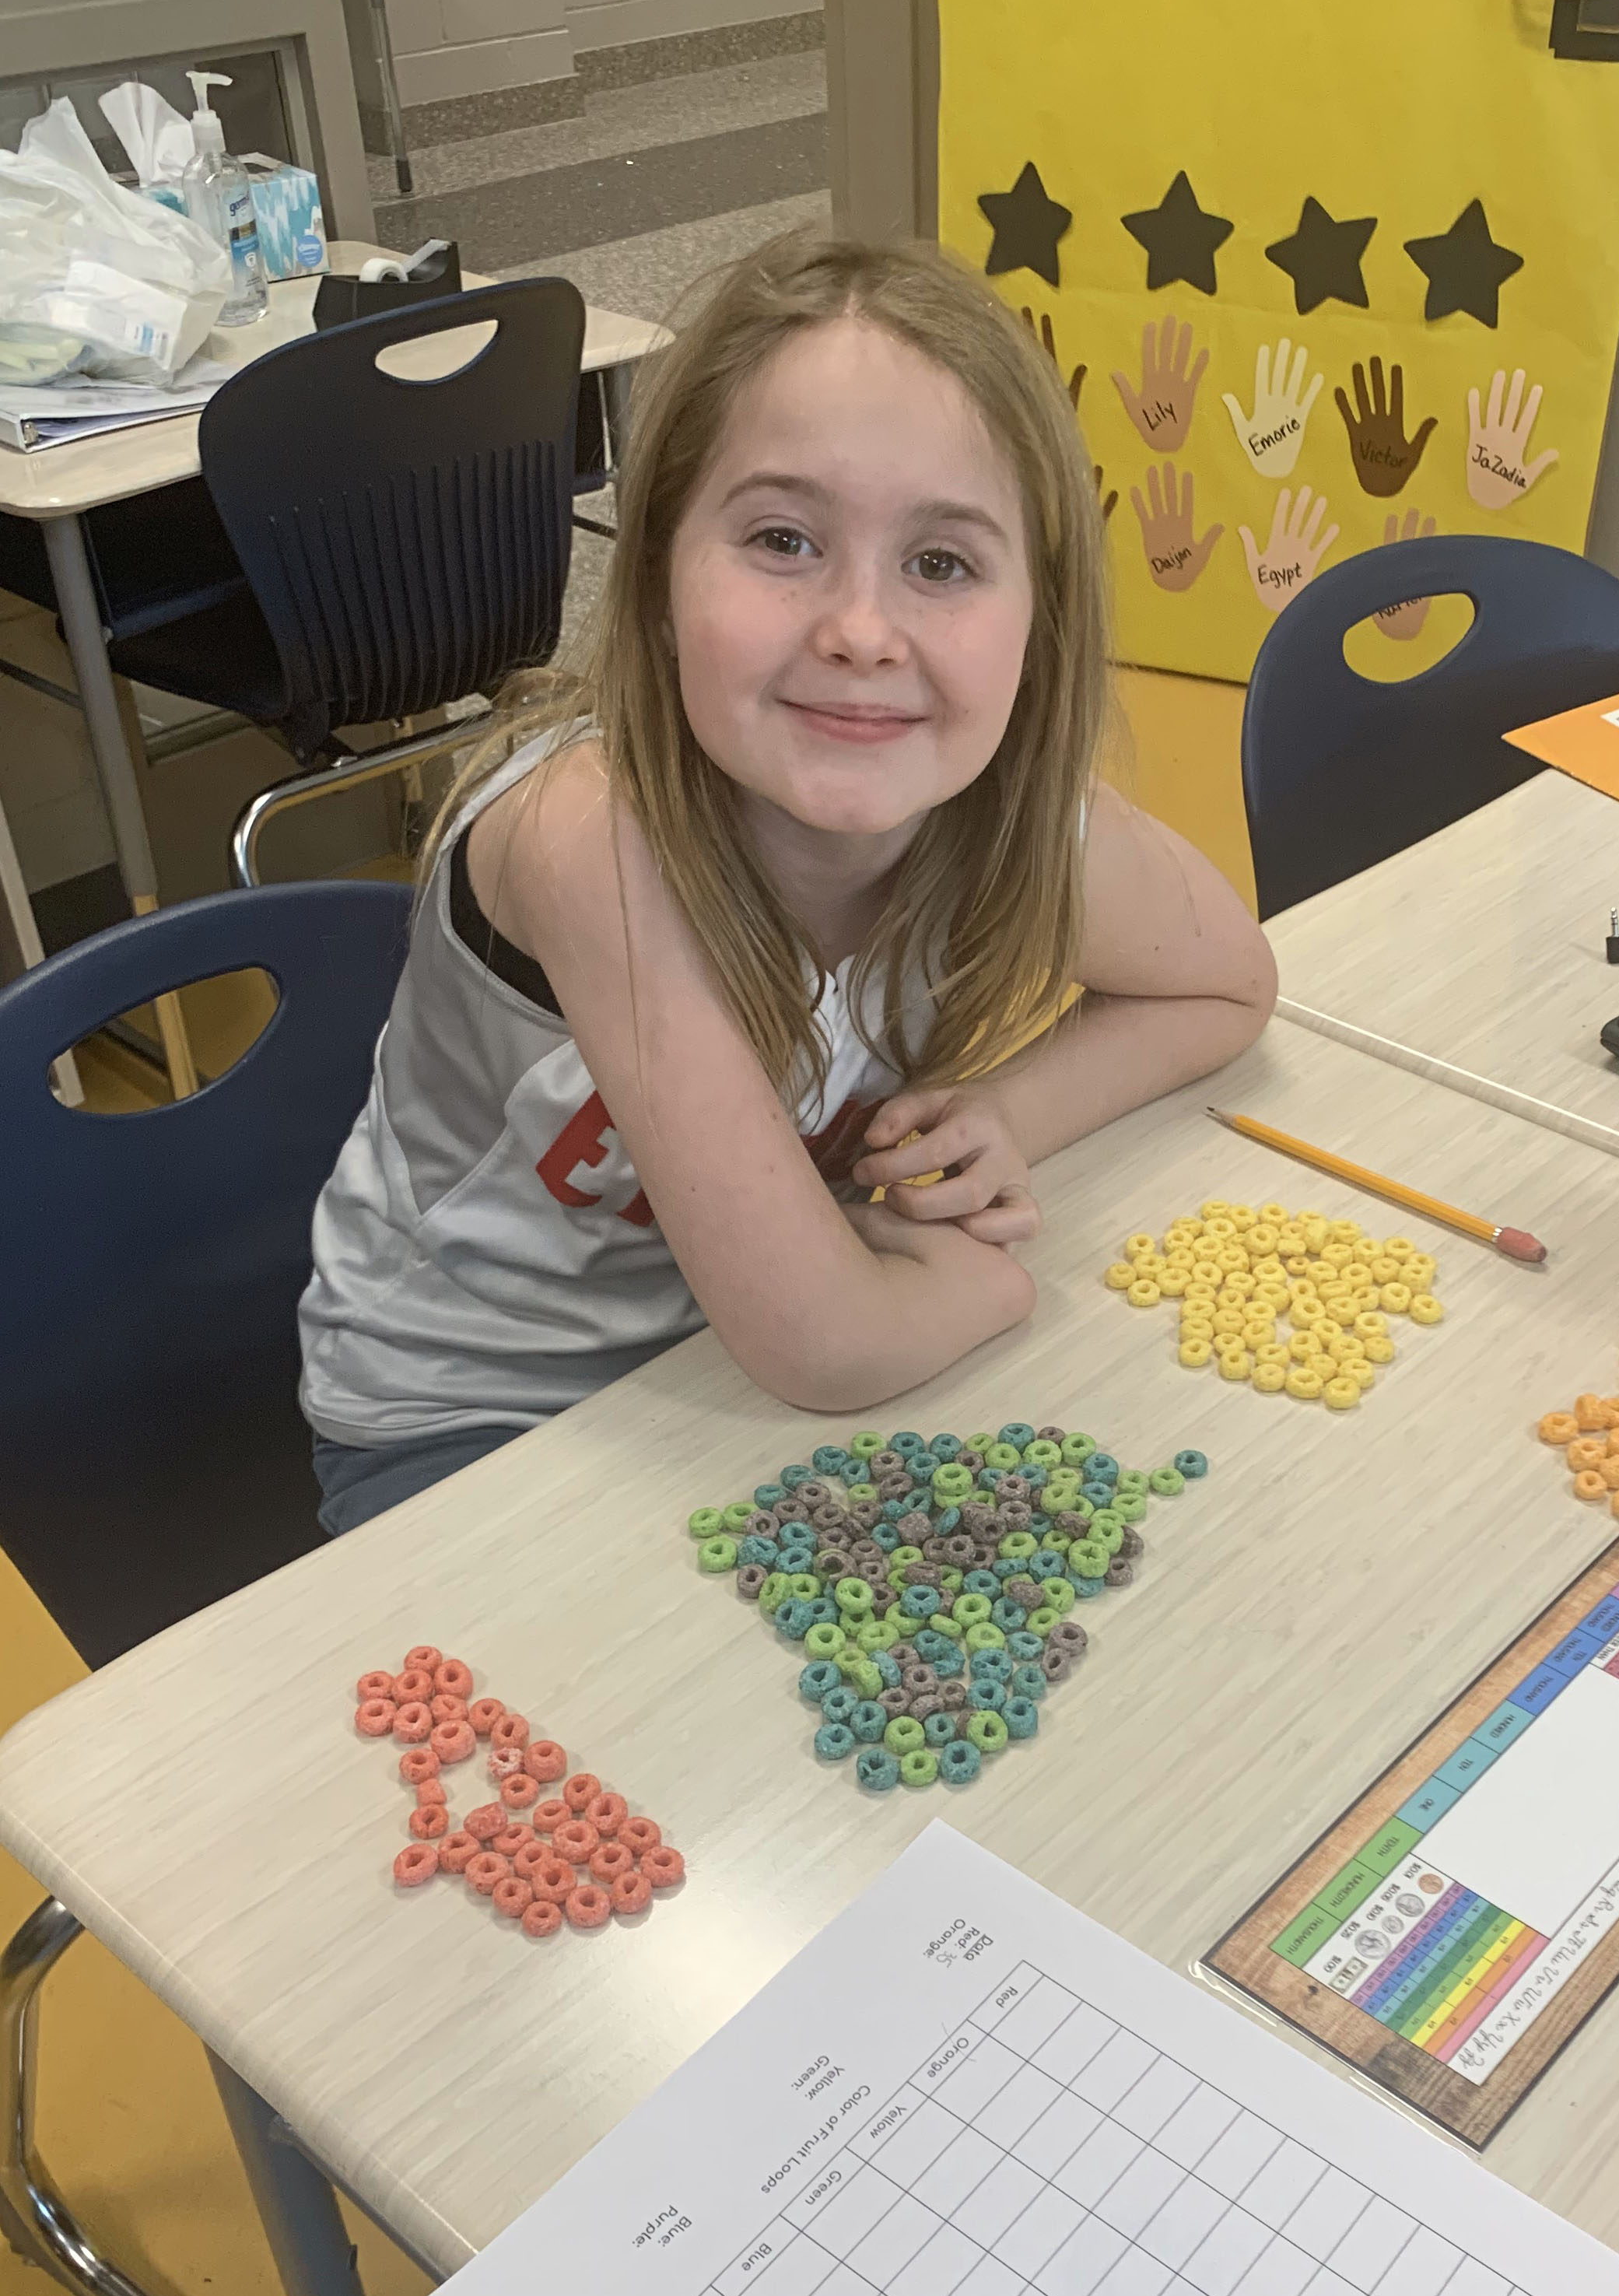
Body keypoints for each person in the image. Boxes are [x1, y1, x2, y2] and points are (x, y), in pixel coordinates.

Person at [299, 231, 1276, 1534]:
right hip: (478, 1416)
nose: (861, 634)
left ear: (1037, 622)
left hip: (742, 1359)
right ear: (653, 580)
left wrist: (1001, 1114)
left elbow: (1227, 985)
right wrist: (983, 1287)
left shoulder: (991, 804)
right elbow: (827, 1345)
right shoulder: (587, 835)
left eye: (942, 564)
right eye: (781, 539)